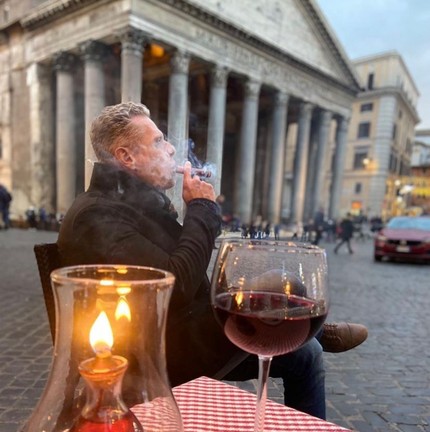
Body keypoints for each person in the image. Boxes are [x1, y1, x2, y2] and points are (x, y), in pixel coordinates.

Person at [57, 102, 367, 420]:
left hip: (185, 333)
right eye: (158, 141)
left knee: (307, 352)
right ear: (127, 157)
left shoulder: (132, 203)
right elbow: (174, 287)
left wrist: (192, 209)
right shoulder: (96, 214)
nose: (172, 149)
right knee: (283, 282)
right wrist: (203, 208)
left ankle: (311, 334)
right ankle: (311, 328)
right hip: (155, 355)